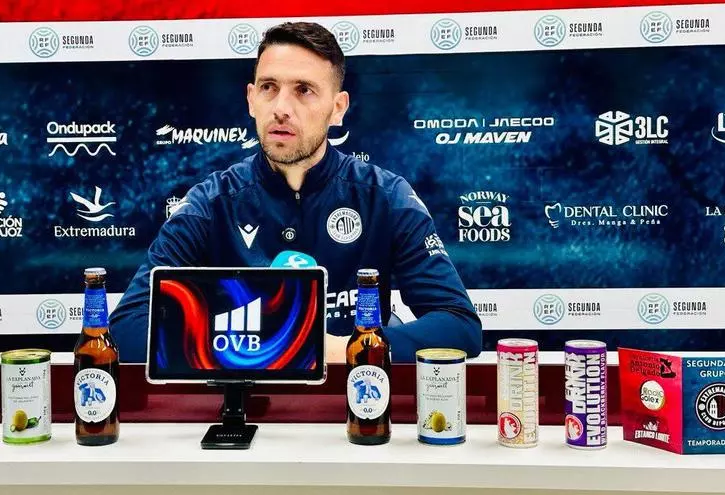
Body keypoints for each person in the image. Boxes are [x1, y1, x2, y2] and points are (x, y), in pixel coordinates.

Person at [110, 21, 481, 363]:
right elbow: (127, 327)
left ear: (337, 108)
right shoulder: (210, 203)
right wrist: (256, 349)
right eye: (269, 88)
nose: (281, 108)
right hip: (243, 399)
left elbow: (459, 325)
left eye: (304, 90)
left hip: (353, 399)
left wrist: (345, 349)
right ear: (251, 100)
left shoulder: (385, 196)